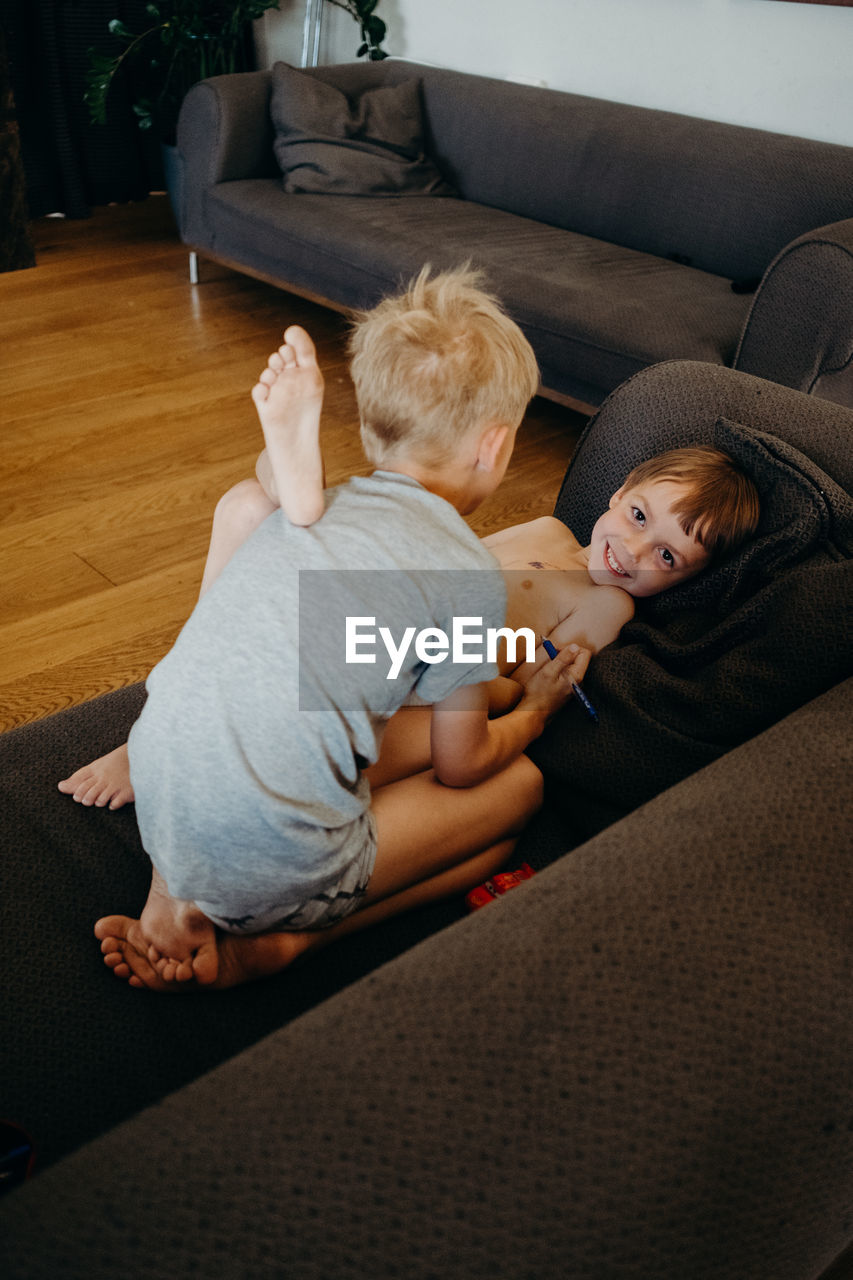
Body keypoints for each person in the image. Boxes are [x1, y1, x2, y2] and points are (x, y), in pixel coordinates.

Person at [64, 266, 594, 992]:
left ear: (371, 424)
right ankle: (279, 947)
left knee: (294, 586)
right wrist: (532, 710)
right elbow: (460, 765)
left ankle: (178, 891)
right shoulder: (466, 574)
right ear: (494, 446)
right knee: (516, 798)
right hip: (266, 875)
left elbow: (341, 657)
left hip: (162, 798)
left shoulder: (321, 510)